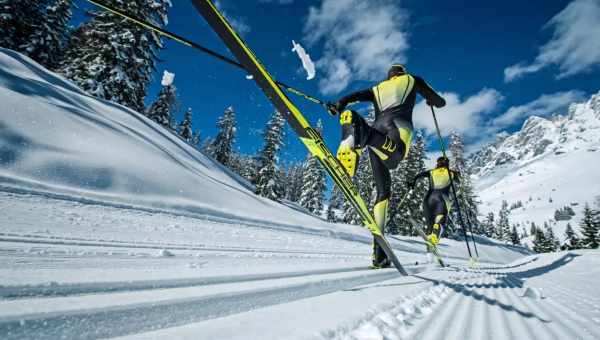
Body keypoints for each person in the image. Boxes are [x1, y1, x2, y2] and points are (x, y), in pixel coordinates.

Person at [331, 64, 446, 268]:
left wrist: (339, 104)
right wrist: (431, 100)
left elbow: (352, 96)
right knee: (395, 157)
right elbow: (440, 101)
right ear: (402, 72)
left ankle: (380, 255)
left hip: (378, 130)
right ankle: (360, 131)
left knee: (383, 191)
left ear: (389, 76)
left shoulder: (377, 88)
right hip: (397, 126)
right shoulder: (412, 80)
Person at [410, 156, 461, 247]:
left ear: (437, 163)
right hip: (442, 198)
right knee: (439, 221)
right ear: (447, 164)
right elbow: (459, 182)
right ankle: (435, 233)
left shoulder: (431, 172)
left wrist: (412, 184)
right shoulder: (451, 173)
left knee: (430, 225)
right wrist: (456, 176)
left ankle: (430, 242)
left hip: (428, 199)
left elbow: (418, 176)